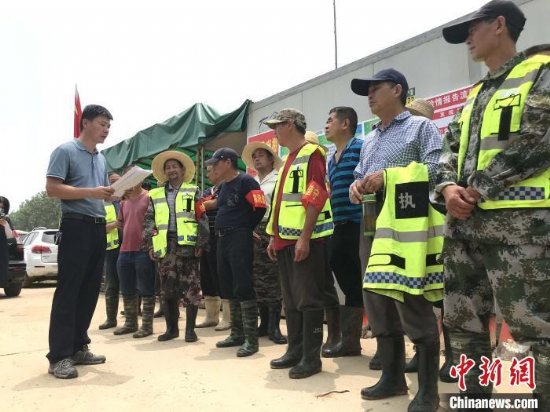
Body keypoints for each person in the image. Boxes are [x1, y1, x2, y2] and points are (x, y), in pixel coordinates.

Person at [435, 1, 550, 407]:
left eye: (473, 28)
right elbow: (447, 149)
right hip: (463, 229)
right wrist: (447, 188)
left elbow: (541, 137)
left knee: (536, 328)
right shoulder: (476, 93)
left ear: (500, 25)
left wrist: (478, 187)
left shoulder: (541, 71)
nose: (467, 38)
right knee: (462, 325)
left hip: (521, 228)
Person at [349, 69, 443, 411]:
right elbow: (361, 173)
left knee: (410, 297)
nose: (370, 95)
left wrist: (388, 177)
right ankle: (392, 377)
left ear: (397, 90)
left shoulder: (420, 127)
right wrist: (356, 185)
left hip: (406, 226)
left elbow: (437, 169)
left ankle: (428, 390)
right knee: (376, 298)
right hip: (371, 224)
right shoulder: (370, 138)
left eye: (376, 88)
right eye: (368, 91)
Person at [264, 108, 336, 379]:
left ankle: (311, 357)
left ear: (290, 124)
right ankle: (295, 350)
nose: (275, 132)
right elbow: (281, 203)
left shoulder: (312, 153)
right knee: (292, 300)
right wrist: (274, 236)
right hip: (285, 240)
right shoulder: (288, 159)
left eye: (277, 126)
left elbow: (316, 195)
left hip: (305, 241)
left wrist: (304, 237)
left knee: (308, 299)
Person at [45, 104, 114, 379]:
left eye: (108, 126)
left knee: (89, 291)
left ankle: (78, 347)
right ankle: (58, 356)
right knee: (69, 290)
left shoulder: (101, 158)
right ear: (85, 123)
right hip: (75, 226)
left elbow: (99, 193)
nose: (106, 130)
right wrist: (92, 192)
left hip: (98, 228)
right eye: (101, 124)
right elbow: (52, 189)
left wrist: (112, 193)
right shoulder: (65, 151)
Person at [400, 99, 458, 384]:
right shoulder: (401, 142)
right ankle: (420, 351)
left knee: (447, 294)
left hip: (439, 219)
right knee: (419, 288)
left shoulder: (435, 140)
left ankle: (453, 357)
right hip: (413, 221)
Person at [143, 151, 209, 343]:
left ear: (182, 169)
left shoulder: (193, 190)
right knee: (167, 288)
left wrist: (201, 242)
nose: (171, 170)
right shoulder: (155, 194)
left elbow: (201, 217)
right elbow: (149, 220)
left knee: (191, 288)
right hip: (165, 246)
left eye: (174, 166)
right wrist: (150, 244)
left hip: (188, 245)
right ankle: (171, 329)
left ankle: (190, 331)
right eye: (168, 167)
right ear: (164, 172)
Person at [209, 147, 267, 357]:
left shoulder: (246, 181)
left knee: (243, 284)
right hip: (222, 238)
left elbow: (261, 207)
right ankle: (237, 333)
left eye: (216, 163)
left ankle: (251, 339)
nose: (213, 167)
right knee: (228, 285)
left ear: (228, 162)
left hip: (238, 237)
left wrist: (246, 228)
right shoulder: (224, 186)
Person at [321, 106, 364, 359]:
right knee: (348, 281)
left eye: (330, 120)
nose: (326, 125)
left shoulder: (360, 147)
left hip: (359, 224)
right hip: (338, 225)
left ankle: (383, 343)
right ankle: (350, 342)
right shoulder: (331, 157)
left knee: (366, 281)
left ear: (345, 124)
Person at [241, 141, 287, 344]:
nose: (256, 158)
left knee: (273, 277)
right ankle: (264, 322)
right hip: (252, 231)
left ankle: (274, 326)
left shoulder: (278, 179)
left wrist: (274, 233)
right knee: (257, 278)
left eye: (261, 155)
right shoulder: (250, 182)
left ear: (271, 159)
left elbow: (280, 207)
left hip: (270, 229)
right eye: (254, 156)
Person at [113, 171, 156, 338]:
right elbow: (121, 223)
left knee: (146, 288)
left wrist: (152, 245)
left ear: (141, 179)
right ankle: (130, 323)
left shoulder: (149, 197)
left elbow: (156, 223)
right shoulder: (124, 202)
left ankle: (147, 326)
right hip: (125, 250)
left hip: (143, 250)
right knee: (127, 288)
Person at [195, 164, 230, 330]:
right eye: (207, 171)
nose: (208, 174)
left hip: (221, 236)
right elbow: (201, 206)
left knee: (222, 275)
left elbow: (213, 205)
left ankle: (228, 317)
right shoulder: (207, 191)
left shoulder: (228, 187)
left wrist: (203, 204)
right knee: (207, 276)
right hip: (205, 237)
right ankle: (211, 316)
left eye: (211, 170)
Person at [99, 172, 122, 330]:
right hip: (112, 249)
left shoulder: (128, 200)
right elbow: (97, 228)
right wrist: (115, 225)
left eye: (118, 181)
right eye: (112, 182)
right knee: (112, 284)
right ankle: (111, 319)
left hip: (129, 247)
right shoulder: (100, 204)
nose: (116, 184)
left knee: (131, 283)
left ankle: (132, 317)